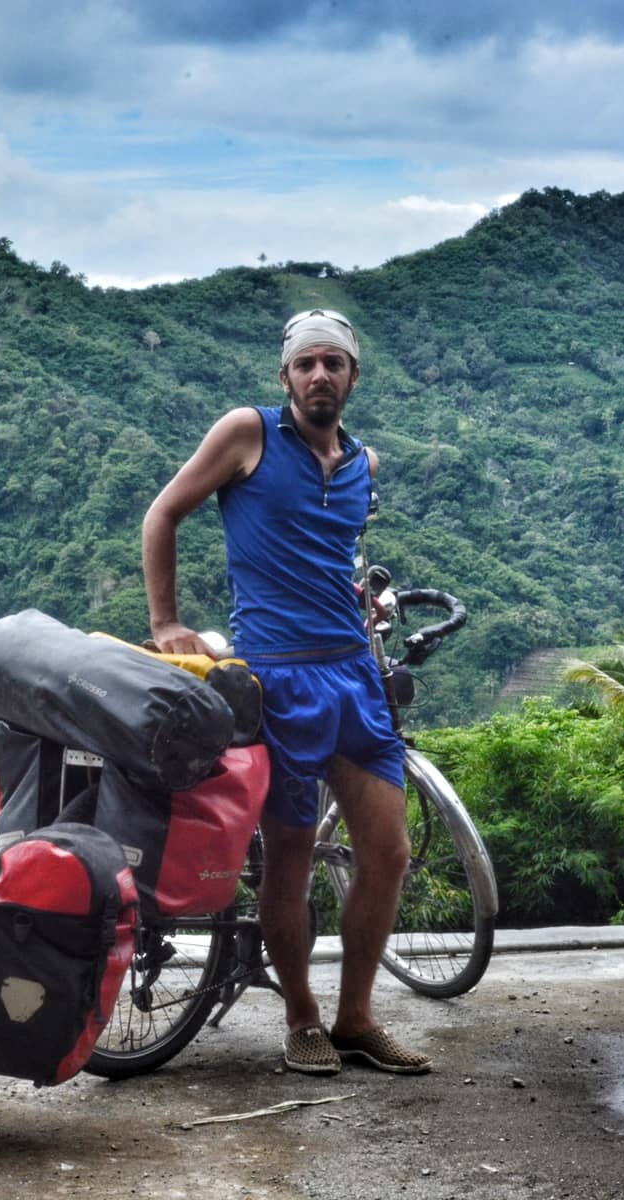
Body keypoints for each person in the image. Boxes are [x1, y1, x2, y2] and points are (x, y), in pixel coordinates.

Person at [142, 309, 432, 1076]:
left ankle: (357, 1018)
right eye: (306, 364)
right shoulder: (249, 434)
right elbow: (163, 514)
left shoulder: (363, 464)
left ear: (352, 377)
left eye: (333, 364)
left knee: (389, 851)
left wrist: (355, 599)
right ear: (285, 378)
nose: (319, 376)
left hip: (352, 675)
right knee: (292, 857)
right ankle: (302, 1018)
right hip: (277, 680)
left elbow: (333, 551)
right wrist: (166, 620)